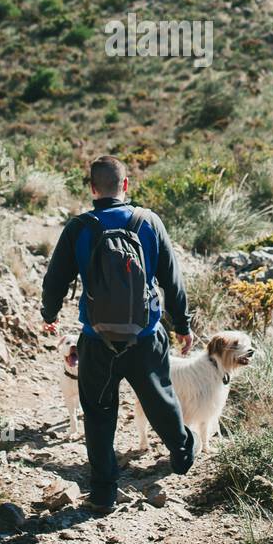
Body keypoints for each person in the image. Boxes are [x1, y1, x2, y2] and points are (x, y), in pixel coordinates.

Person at [41, 154, 196, 511]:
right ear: (125, 186)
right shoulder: (149, 222)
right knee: (160, 400)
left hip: (96, 342)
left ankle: (103, 492)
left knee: (98, 413)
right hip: (146, 338)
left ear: (93, 189)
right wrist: (183, 325)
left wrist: (49, 314)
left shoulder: (78, 228)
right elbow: (173, 281)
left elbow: (55, 281)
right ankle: (182, 454)